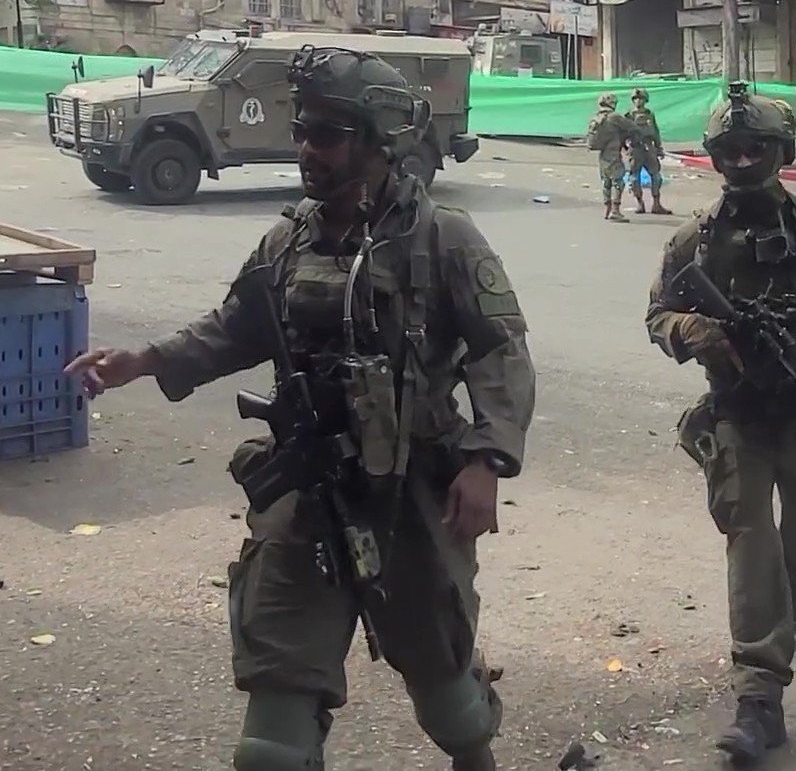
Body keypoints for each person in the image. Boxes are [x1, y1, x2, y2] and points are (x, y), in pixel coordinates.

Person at [62, 45, 536, 771]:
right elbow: (236, 327)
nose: (308, 148)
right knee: (271, 738)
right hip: (308, 488)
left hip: (412, 494)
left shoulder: (441, 238)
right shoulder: (287, 241)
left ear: (377, 141)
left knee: (450, 699)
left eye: (328, 134)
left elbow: (501, 351)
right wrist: (145, 360)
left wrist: (486, 460)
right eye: (302, 130)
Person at [645, 88, 796, 768]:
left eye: (756, 148)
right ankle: (759, 695)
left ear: (780, 152)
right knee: (750, 538)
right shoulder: (694, 239)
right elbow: (658, 314)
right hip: (737, 413)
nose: (743, 159)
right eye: (730, 149)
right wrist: (691, 330)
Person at [586, 91, 634, 223]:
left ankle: (607, 209)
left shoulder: (597, 117)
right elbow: (632, 127)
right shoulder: (614, 117)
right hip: (613, 154)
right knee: (618, 182)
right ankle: (615, 210)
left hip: (602, 155)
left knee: (606, 182)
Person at [626, 87, 671, 215]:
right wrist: (626, 147)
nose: (638, 101)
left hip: (649, 147)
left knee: (656, 176)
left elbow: (655, 131)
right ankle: (640, 203)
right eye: (636, 99)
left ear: (645, 100)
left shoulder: (650, 114)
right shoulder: (629, 115)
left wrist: (659, 147)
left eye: (641, 99)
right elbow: (624, 132)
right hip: (636, 148)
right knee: (635, 178)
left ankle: (656, 203)